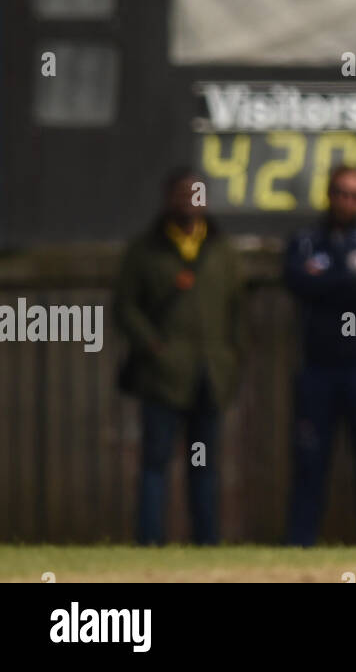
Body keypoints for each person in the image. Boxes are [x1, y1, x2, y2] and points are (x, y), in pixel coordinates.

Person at [113, 166, 246, 545]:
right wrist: (153, 346)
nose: (190, 201)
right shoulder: (145, 251)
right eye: (182, 194)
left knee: (202, 464)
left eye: (197, 194)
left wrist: (231, 357)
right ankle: (150, 544)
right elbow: (124, 307)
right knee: (156, 463)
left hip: (209, 380)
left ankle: (205, 544)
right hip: (163, 380)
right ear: (168, 198)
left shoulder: (222, 251)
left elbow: (238, 310)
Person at [283, 165, 356, 547]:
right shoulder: (305, 242)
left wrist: (328, 283)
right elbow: (299, 283)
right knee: (309, 461)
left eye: (355, 195)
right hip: (317, 368)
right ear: (329, 194)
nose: (347, 201)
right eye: (340, 193)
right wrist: (348, 280)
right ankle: (299, 547)